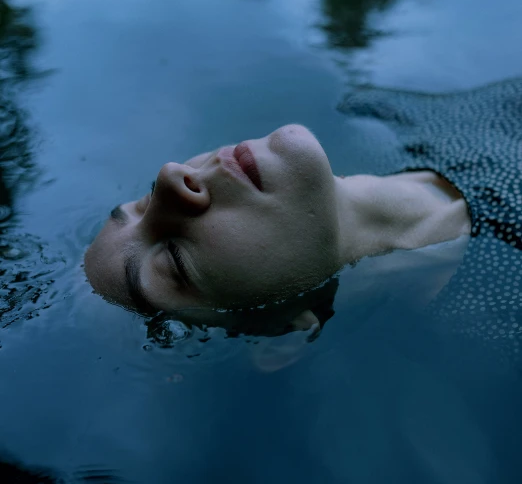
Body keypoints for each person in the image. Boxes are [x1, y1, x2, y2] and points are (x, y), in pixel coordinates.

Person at [85, 77, 522, 354]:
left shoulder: (381, 111)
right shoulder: (501, 322)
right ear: (284, 335)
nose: (171, 176)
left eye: (144, 200)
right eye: (173, 261)